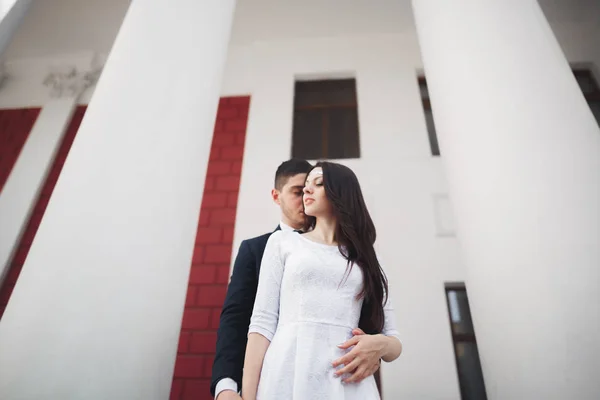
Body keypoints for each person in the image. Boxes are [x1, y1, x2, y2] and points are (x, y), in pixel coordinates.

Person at [242, 161, 402, 400]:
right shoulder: (282, 244)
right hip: (287, 372)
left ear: (341, 192)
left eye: (318, 184)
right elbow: (262, 323)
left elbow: (393, 339)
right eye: (305, 185)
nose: (307, 190)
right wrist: (247, 395)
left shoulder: (368, 257)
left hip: (347, 378)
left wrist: (380, 344)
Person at [210, 159, 312, 399]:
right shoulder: (255, 250)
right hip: (269, 383)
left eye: (311, 191)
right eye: (298, 192)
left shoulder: (339, 249)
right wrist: (225, 387)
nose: (306, 200)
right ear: (276, 196)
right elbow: (235, 320)